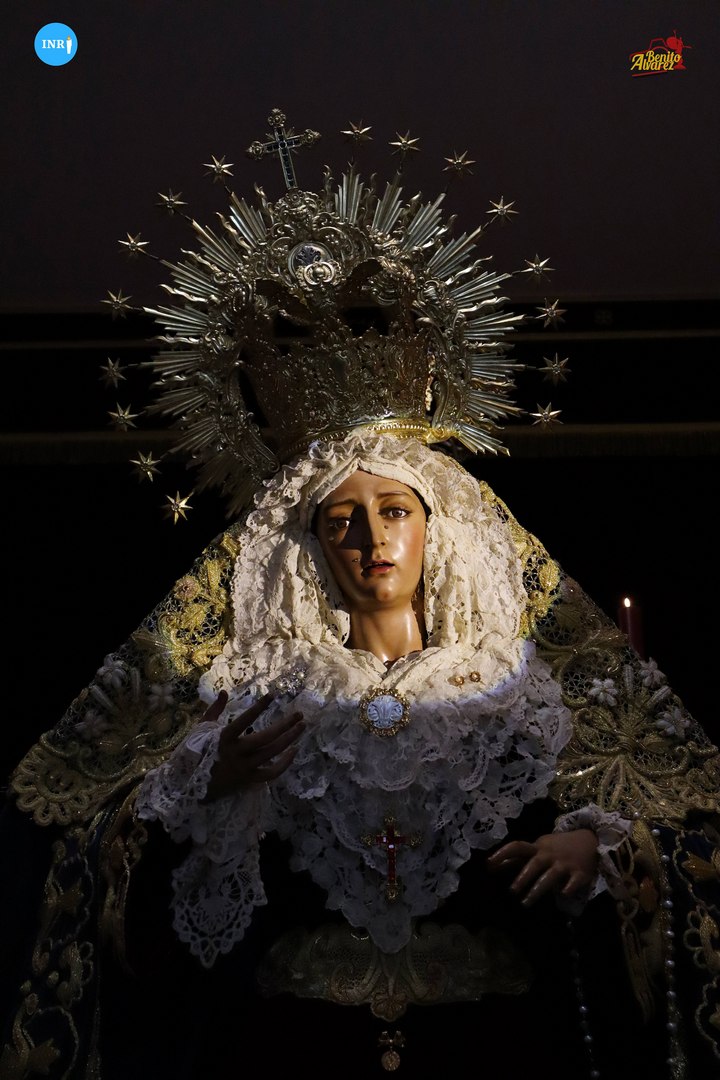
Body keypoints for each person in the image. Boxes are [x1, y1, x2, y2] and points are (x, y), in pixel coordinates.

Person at [3, 112, 720, 1079]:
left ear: (437, 530)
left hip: (492, 1048)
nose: (372, 538)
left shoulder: (514, 688)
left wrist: (603, 849)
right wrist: (208, 789)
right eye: (341, 518)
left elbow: (679, 815)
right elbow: (94, 851)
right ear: (306, 549)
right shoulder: (261, 694)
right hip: (301, 1049)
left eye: (394, 511)